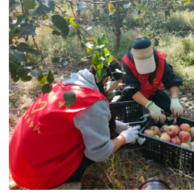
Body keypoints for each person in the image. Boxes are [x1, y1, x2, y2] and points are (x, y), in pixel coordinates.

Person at [9, 62, 140, 190]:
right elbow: (100, 152)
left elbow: (78, 118)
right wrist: (124, 138)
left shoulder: (68, 82)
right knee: (91, 147)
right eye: (115, 85)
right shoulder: (93, 101)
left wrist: (114, 125)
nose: (114, 89)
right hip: (36, 174)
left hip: (17, 160)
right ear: (106, 80)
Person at [120, 38, 184, 122]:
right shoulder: (127, 63)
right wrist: (150, 105)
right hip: (133, 96)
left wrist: (175, 100)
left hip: (151, 92)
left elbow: (171, 79)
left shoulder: (160, 60)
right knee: (134, 119)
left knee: (168, 110)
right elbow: (131, 90)